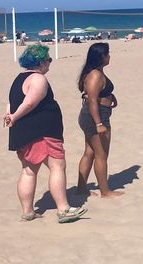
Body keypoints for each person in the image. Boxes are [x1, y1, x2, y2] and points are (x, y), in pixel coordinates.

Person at [5, 44, 87, 223]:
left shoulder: (19, 78)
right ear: (41, 62)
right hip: (42, 131)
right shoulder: (38, 79)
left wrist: (10, 116)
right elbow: (29, 103)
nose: (50, 63)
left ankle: (27, 211)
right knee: (57, 166)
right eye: (48, 60)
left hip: (24, 132)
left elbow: (11, 102)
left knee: (28, 170)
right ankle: (63, 209)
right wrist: (14, 117)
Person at [76, 42, 123, 198]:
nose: (109, 56)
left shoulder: (97, 72)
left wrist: (110, 96)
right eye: (107, 53)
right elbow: (92, 101)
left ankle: (81, 189)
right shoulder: (95, 74)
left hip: (97, 114)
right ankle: (105, 191)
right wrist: (99, 123)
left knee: (90, 152)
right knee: (101, 155)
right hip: (96, 116)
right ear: (101, 57)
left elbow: (96, 93)